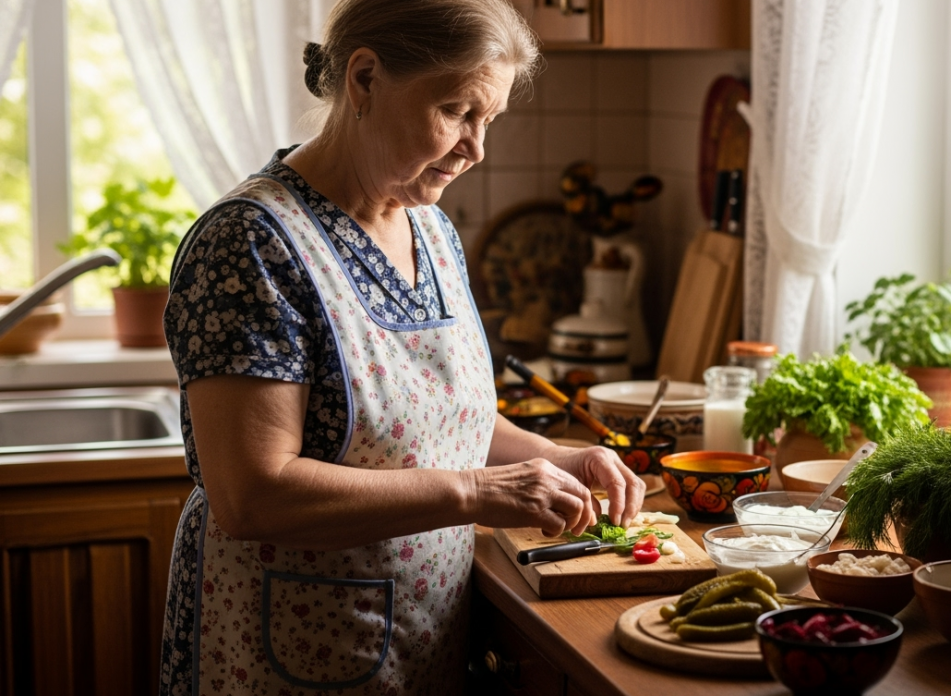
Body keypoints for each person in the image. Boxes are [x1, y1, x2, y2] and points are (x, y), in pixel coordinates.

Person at [157, 1, 645, 693]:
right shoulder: (251, 243)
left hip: (420, 631)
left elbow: (440, 419)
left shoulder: (431, 229)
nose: (477, 147)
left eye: (490, 121)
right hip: (288, 649)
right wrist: (478, 491)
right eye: (456, 112)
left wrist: (558, 458)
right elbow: (251, 496)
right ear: (363, 80)